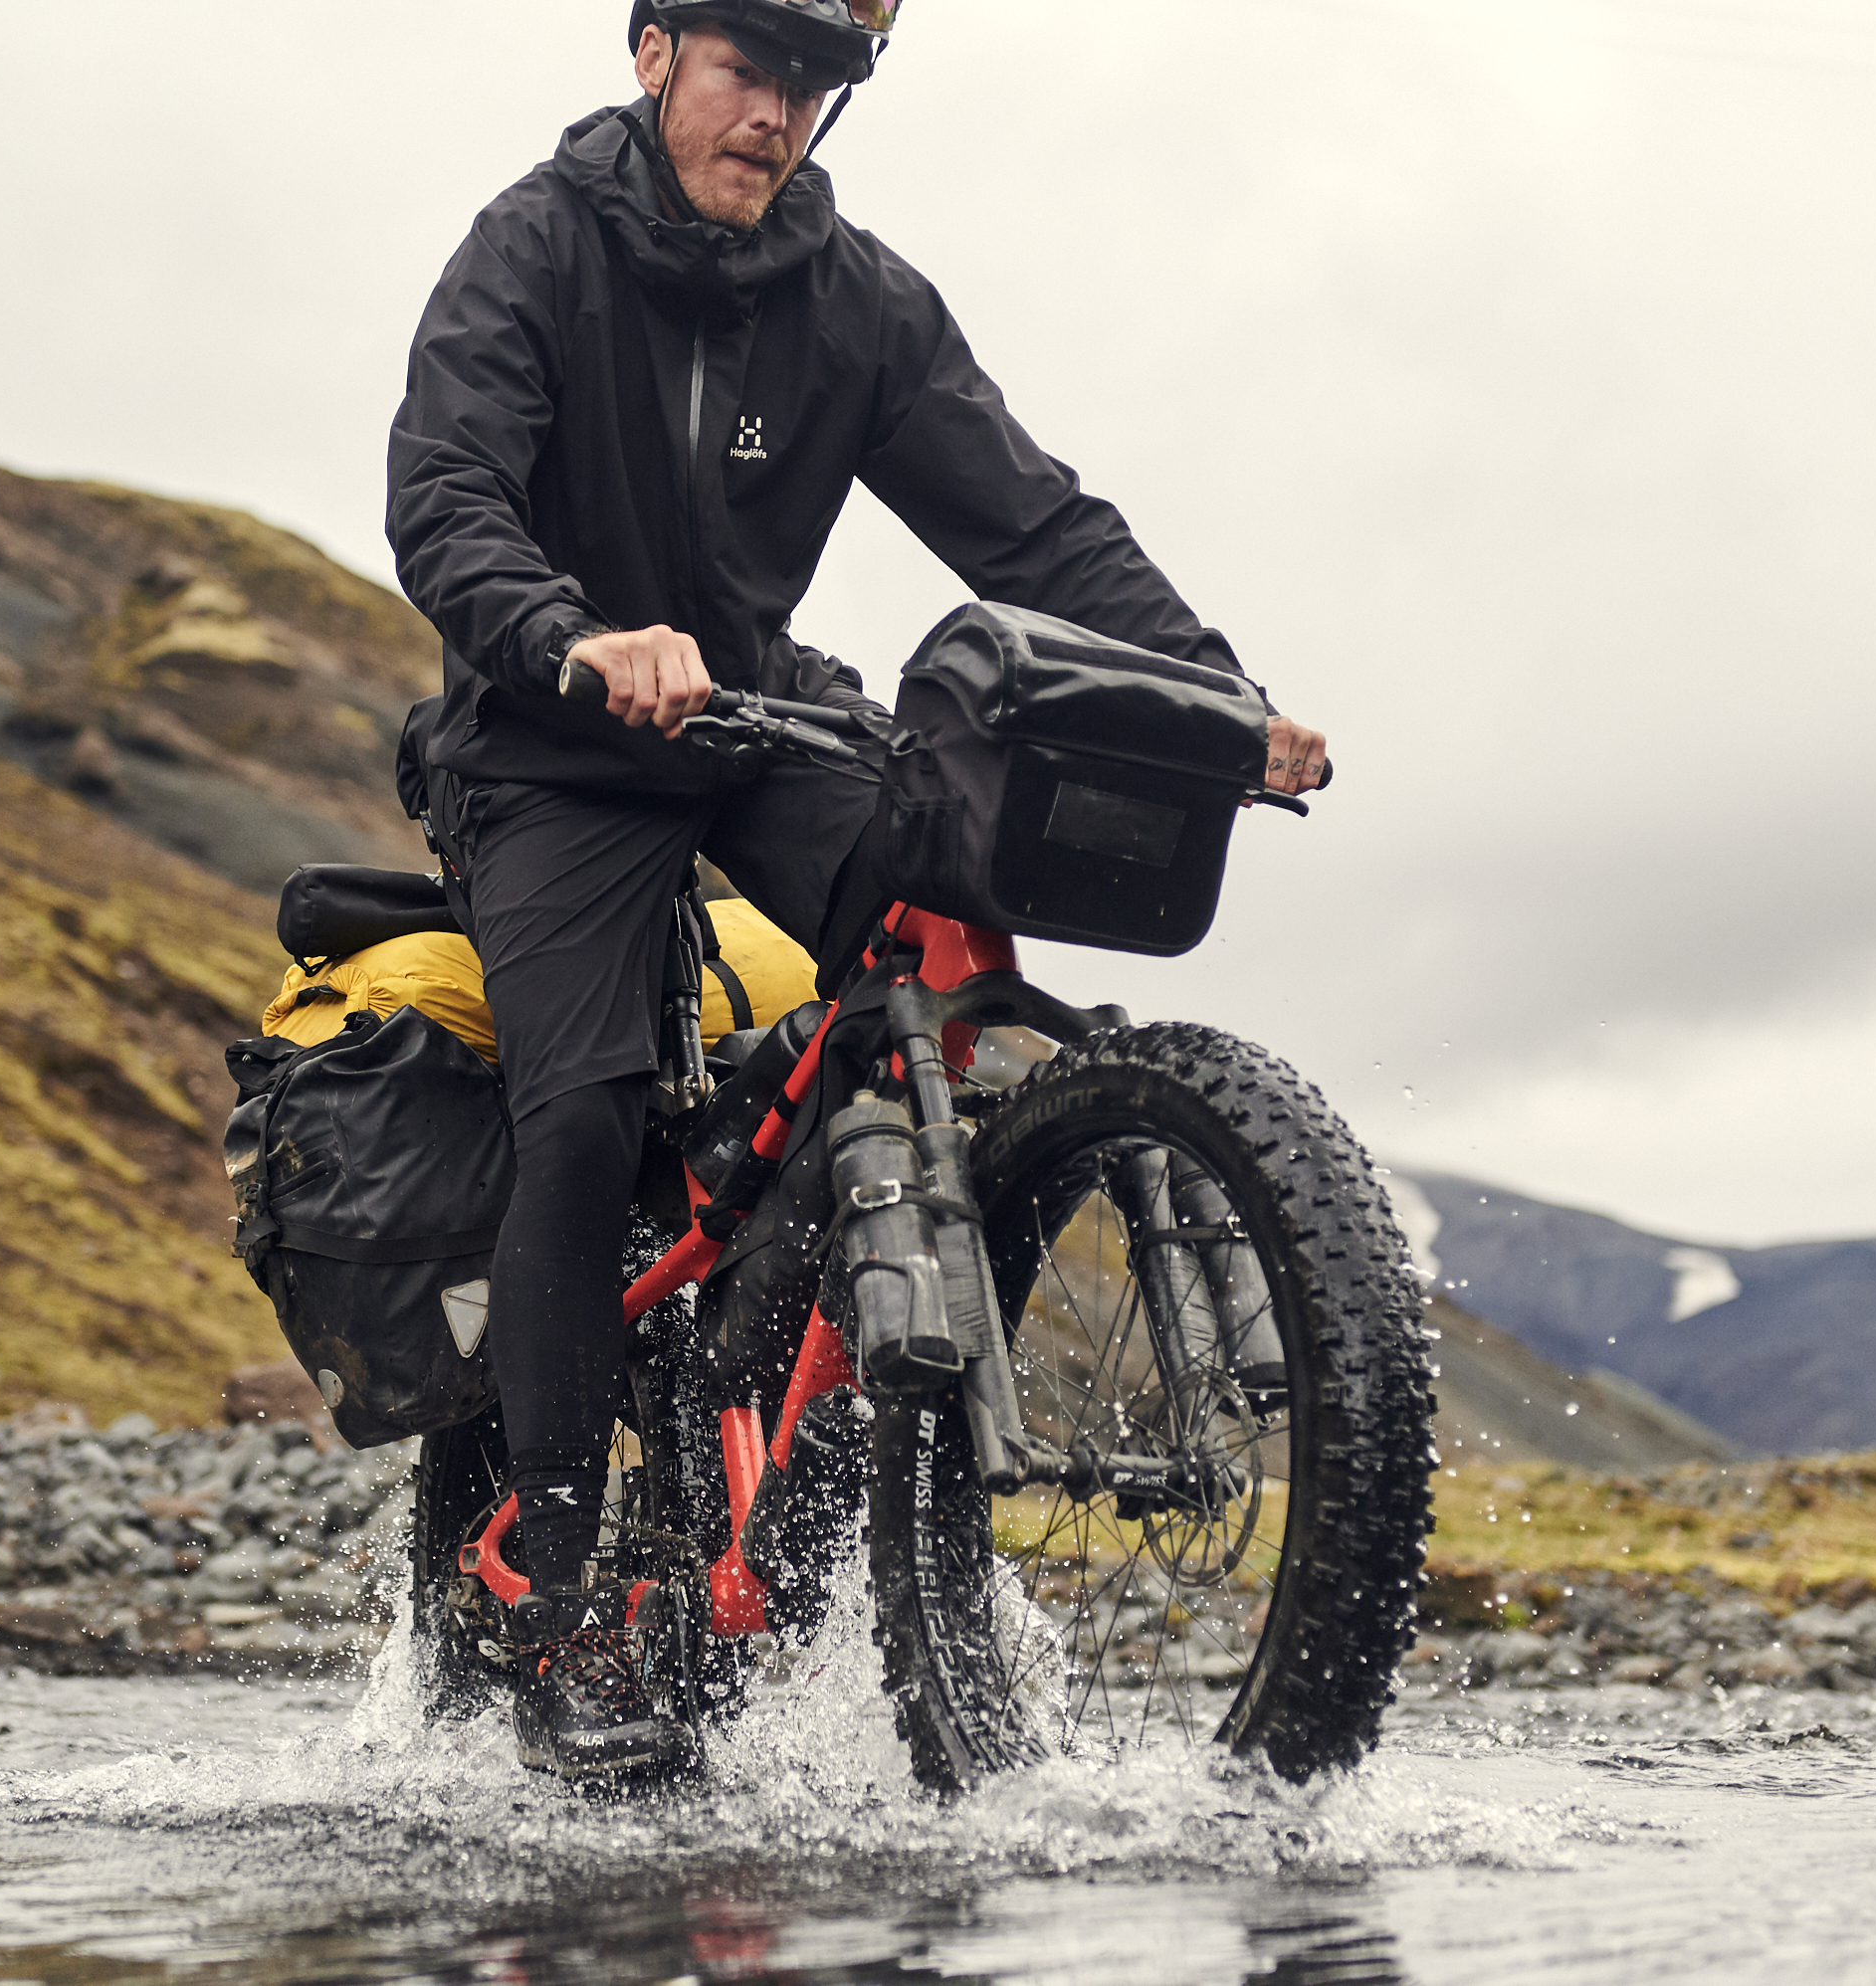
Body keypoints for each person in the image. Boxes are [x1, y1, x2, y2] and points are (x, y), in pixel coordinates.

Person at [385, 0, 1330, 1783]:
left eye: (815, 87)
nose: (779, 115)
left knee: (944, 942)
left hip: (751, 717)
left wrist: (1218, 699)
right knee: (579, 1110)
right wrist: (573, 638)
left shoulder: (858, 300)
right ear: (655, 50)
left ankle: (820, 1360)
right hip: (551, 742)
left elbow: (1034, 529)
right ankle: (555, 1552)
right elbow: (443, 500)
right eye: (748, 70)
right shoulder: (531, 246)